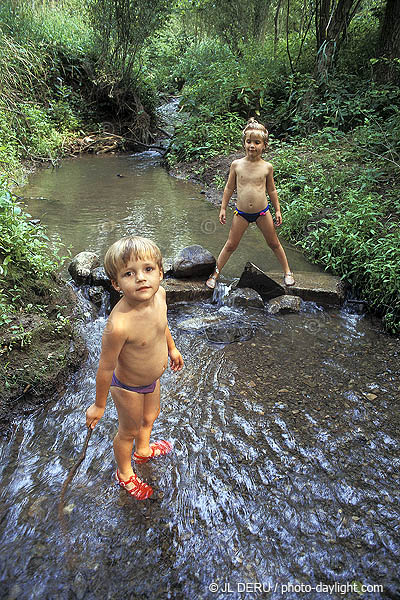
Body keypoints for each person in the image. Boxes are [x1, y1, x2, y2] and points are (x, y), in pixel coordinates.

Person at [86, 236, 184, 500]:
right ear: (116, 284)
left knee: (151, 416)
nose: (141, 278)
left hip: (153, 380)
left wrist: (172, 348)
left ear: (161, 273)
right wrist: (99, 404)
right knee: (127, 430)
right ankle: (125, 472)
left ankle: (143, 450)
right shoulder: (119, 325)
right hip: (127, 386)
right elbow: (105, 368)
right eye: (130, 273)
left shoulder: (160, 295)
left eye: (148, 269)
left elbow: (161, 325)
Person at [206, 118, 295, 289]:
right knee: (231, 244)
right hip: (242, 213)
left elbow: (272, 190)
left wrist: (277, 210)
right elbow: (229, 187)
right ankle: (215, 274)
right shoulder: (236, 165)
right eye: (248, 142)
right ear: (244, 143)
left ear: (264, 145)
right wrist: (223, 208)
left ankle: (287, 272)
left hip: (262, 212)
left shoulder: (267, 167)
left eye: (256, 142)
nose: (252, 146)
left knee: (274, 243)